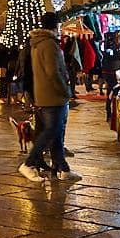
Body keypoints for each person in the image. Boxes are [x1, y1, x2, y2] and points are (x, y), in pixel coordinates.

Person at [18, 13, 80, 182]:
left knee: (56, 133)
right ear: (56, 26)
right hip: (54, 96)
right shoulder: (50, 44)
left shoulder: (36, 44)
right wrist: (66, 92)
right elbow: (53, 72)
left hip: (42, 94)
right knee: (51, 131)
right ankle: (29, 163)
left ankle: (63, 169)